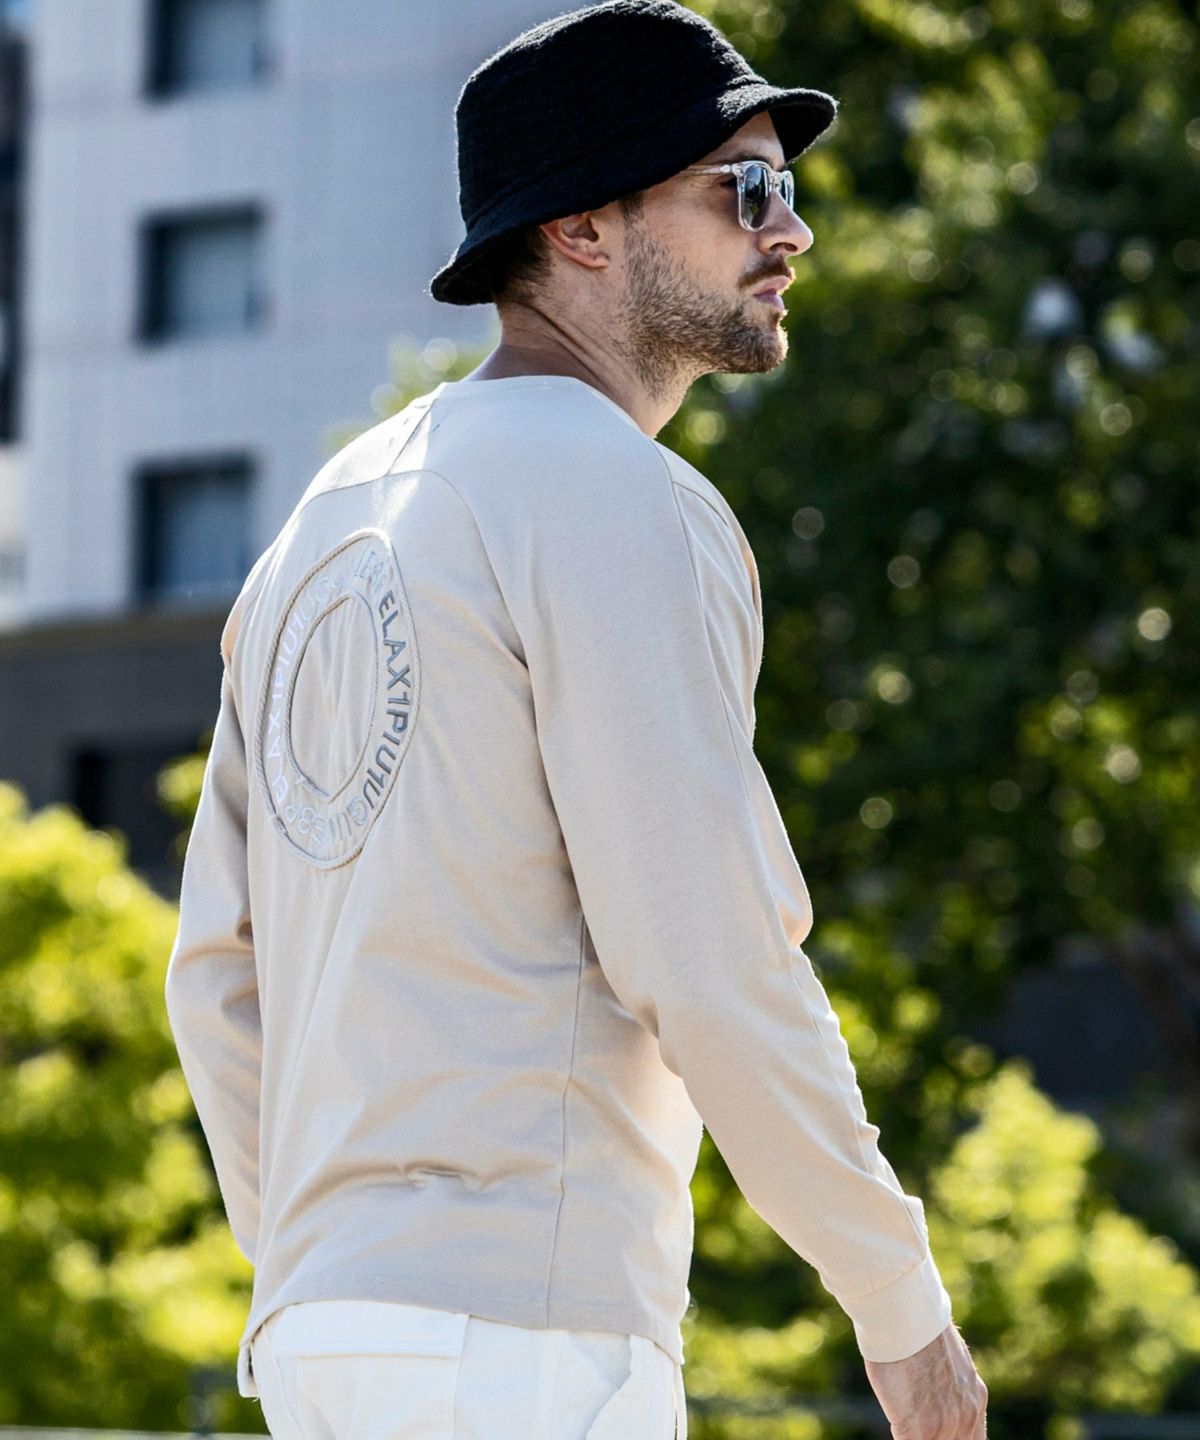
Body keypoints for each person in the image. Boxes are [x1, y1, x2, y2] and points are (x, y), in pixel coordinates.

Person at [163, 2, 989, 1437]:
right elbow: (709, 952)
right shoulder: (615, 493)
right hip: (522, 1343)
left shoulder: (317, 524)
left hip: (320, 1337)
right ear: (583, 229)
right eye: (744, 187)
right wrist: (901, 1307)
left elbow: (216, 978)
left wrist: (329, 1265)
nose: (790, 231)